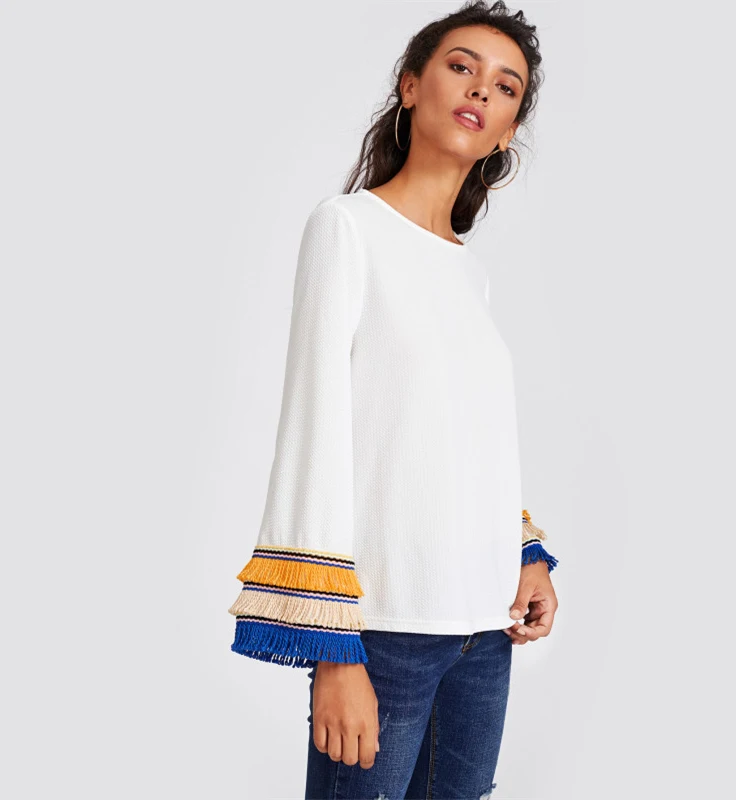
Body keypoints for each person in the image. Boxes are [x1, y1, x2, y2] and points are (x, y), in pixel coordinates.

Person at [227, 2, 559, 797]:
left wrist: (525, 554)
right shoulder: (347, 228)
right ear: (410, 86)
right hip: (388, 634)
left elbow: (461, 438)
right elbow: (316, 433)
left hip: (485, 633)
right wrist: (334, 652)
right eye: (460, 66)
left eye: (505, 86)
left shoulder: (467, 271)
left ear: (508, 131)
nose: (480, 90)